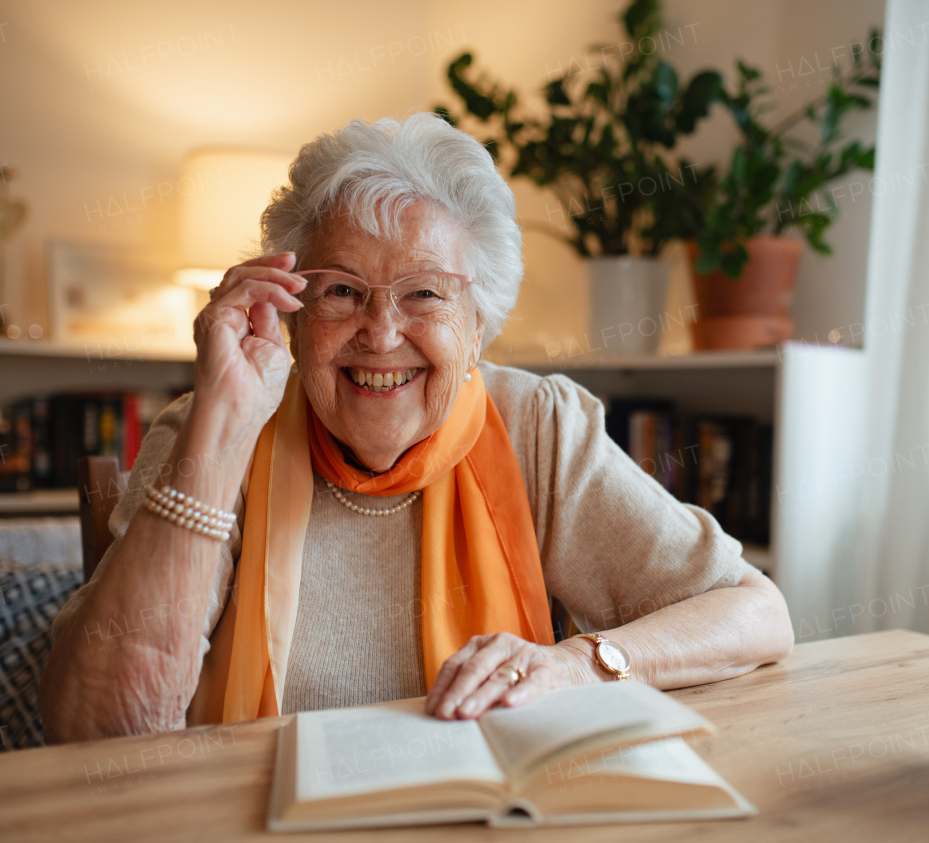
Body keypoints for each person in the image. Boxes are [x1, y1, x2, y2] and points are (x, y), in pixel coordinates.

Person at [39, 113, 793, 742]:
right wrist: (220, 432)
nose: (380, 332)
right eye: (341, 291)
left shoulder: (535, 424)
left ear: (479, 322)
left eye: (424, 292)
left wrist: (579, 663)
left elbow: (755, 611)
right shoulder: (215, 424)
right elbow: (95, 732)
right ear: (293, 314)